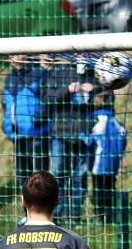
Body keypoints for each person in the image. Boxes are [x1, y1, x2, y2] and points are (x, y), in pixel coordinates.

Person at [43, 54, 109, 222]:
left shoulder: (95, 74)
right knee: (57, 174)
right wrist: (67, 90)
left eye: (84, 53)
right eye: (77, 53)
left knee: (80, 175)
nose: (81, 57)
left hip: (84, 133)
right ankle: (54, 214)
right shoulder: (60, 72)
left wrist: (94, 89)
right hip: (61, 133)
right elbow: (48, 98)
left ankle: (74, 215)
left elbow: (109, 92)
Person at [2, 54, 49, 188]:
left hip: (37, 134)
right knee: (23, 178)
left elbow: (48, 100)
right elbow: (6, 105)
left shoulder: (39, 74)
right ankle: (27, 207)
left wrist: (37, 119)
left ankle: (42, 207)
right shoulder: (8, 79)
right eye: (13, 55)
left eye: (19, 54)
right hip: (18, 134)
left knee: (40, 179)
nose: (17, 57)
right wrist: (7, 125)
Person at [87, 93, 127, 224]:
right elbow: (123, 139)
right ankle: (110, 216)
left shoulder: (95, 121)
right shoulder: (116, 122)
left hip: (99, 164)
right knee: (110, 188)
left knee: (98, 190)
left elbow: (89, 142)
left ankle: (100, 217)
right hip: (113, 164)